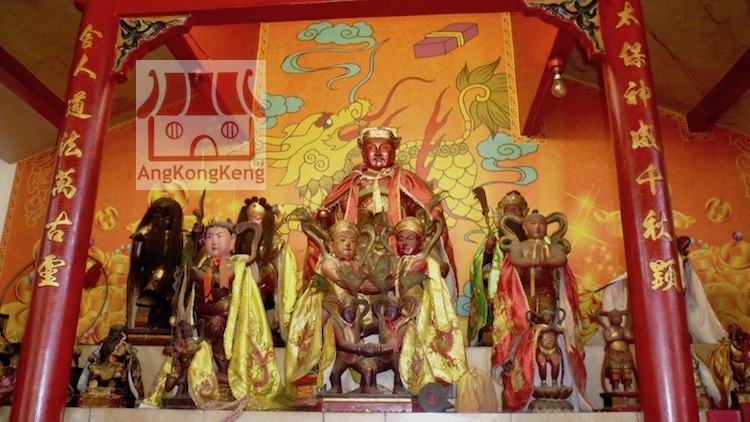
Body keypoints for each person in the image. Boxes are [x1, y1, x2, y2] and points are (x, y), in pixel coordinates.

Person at [308, 127, 458, 299]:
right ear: (364, 154)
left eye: (384, 148)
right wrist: (325, 218)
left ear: (393, 152)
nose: (378, 153)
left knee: (424, 264)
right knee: (330, 265)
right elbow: (337, 218)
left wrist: (421, 230)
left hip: (396, 244)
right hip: (360, 245)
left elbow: (425, 211)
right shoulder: (353, 182)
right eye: (371, 148)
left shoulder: (406, 180)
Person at [491, 211, 590, 412]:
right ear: (524, 227)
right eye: (532, 223)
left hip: (546, 296)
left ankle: (552, 379)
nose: (537, 227)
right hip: (524, 297)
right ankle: (520, 378)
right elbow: (517, 261)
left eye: (542, 224)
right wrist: (537, 261)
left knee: (547, 331)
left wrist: (541, 261)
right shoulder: (518, 246)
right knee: (523, 333)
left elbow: (561, 260)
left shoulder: (553, 247)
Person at [189, 220, 283, 408]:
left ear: (232, 241)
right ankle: (211, 376)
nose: (214, 242)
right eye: (209, 237)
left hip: (225, 317)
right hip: (204, 314)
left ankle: (227, 373)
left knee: (222, 342)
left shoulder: (235, 263)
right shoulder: (204, 262)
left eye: (219, 237)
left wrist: (201, 275)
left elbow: (222, 282)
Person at [393, 216, 467, 393]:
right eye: (400, 239)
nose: (404, 243)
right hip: (403, 313)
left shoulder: (423, 261)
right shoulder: (398, 263)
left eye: (410, 238)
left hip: (420, 314)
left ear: (420, 242)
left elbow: (410, 279)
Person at [468, 190, 529, 344]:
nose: (513, 213)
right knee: (488, 280)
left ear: (524, 212)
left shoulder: (531, 233)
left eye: (516, 209)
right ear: (502, 213)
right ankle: (492, 326)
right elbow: (478, 264)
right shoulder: (496, 233)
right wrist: (489, 249)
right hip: (501, 279)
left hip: (525, 278)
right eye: (509, 210)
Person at [235, 197, 298, 342]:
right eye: (250, 218)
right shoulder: (238, 239)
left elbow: (282, 269)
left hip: (266, 286)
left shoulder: (275, 243)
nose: (253, 222)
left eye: (257, 219)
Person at [127, 197, 184, 329]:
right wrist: (139, 243)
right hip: (150, 276)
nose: (160, 220)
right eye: (156, 216)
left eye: (166, 217)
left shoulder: (182, 238)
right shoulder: (146, 235)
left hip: (173, 279)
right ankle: (151, 294)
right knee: (157, 274)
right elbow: (138, 260)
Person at [597, 309, 636, 392]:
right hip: (613, 353)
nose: (618, 319)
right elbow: (608, 338)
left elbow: (632, 339)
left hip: (625, 353)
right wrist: (618, 337)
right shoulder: (608, 330)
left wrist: (625, 338)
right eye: (615, 317)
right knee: (615, 371)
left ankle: (627, 386)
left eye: (619, 317)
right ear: (610, 318)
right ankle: (615, 386)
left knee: (626, 370)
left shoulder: (624, 329)